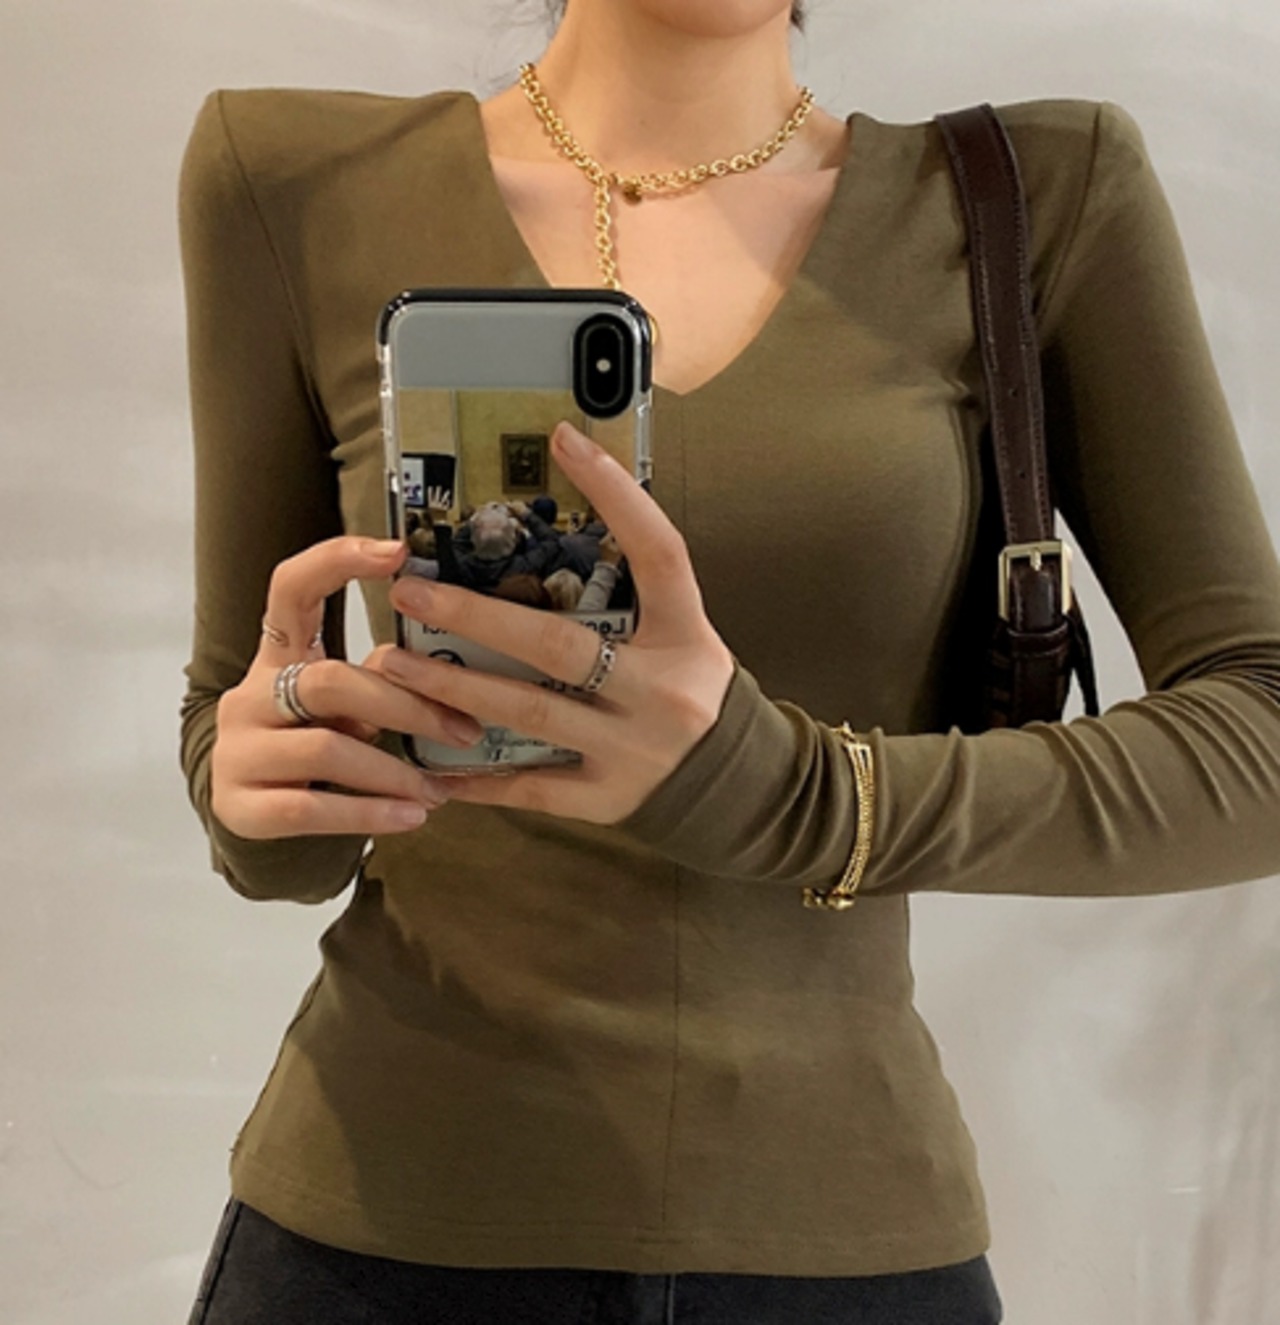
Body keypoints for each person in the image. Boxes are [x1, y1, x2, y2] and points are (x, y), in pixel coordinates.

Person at [176, 1, 1280, 1321]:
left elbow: (1259, 737)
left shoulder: (1036, 199)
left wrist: (800, 795)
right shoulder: (291, 179)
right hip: (377, 1234)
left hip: (849, 1245)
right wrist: (268, 777)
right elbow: (244, 741)